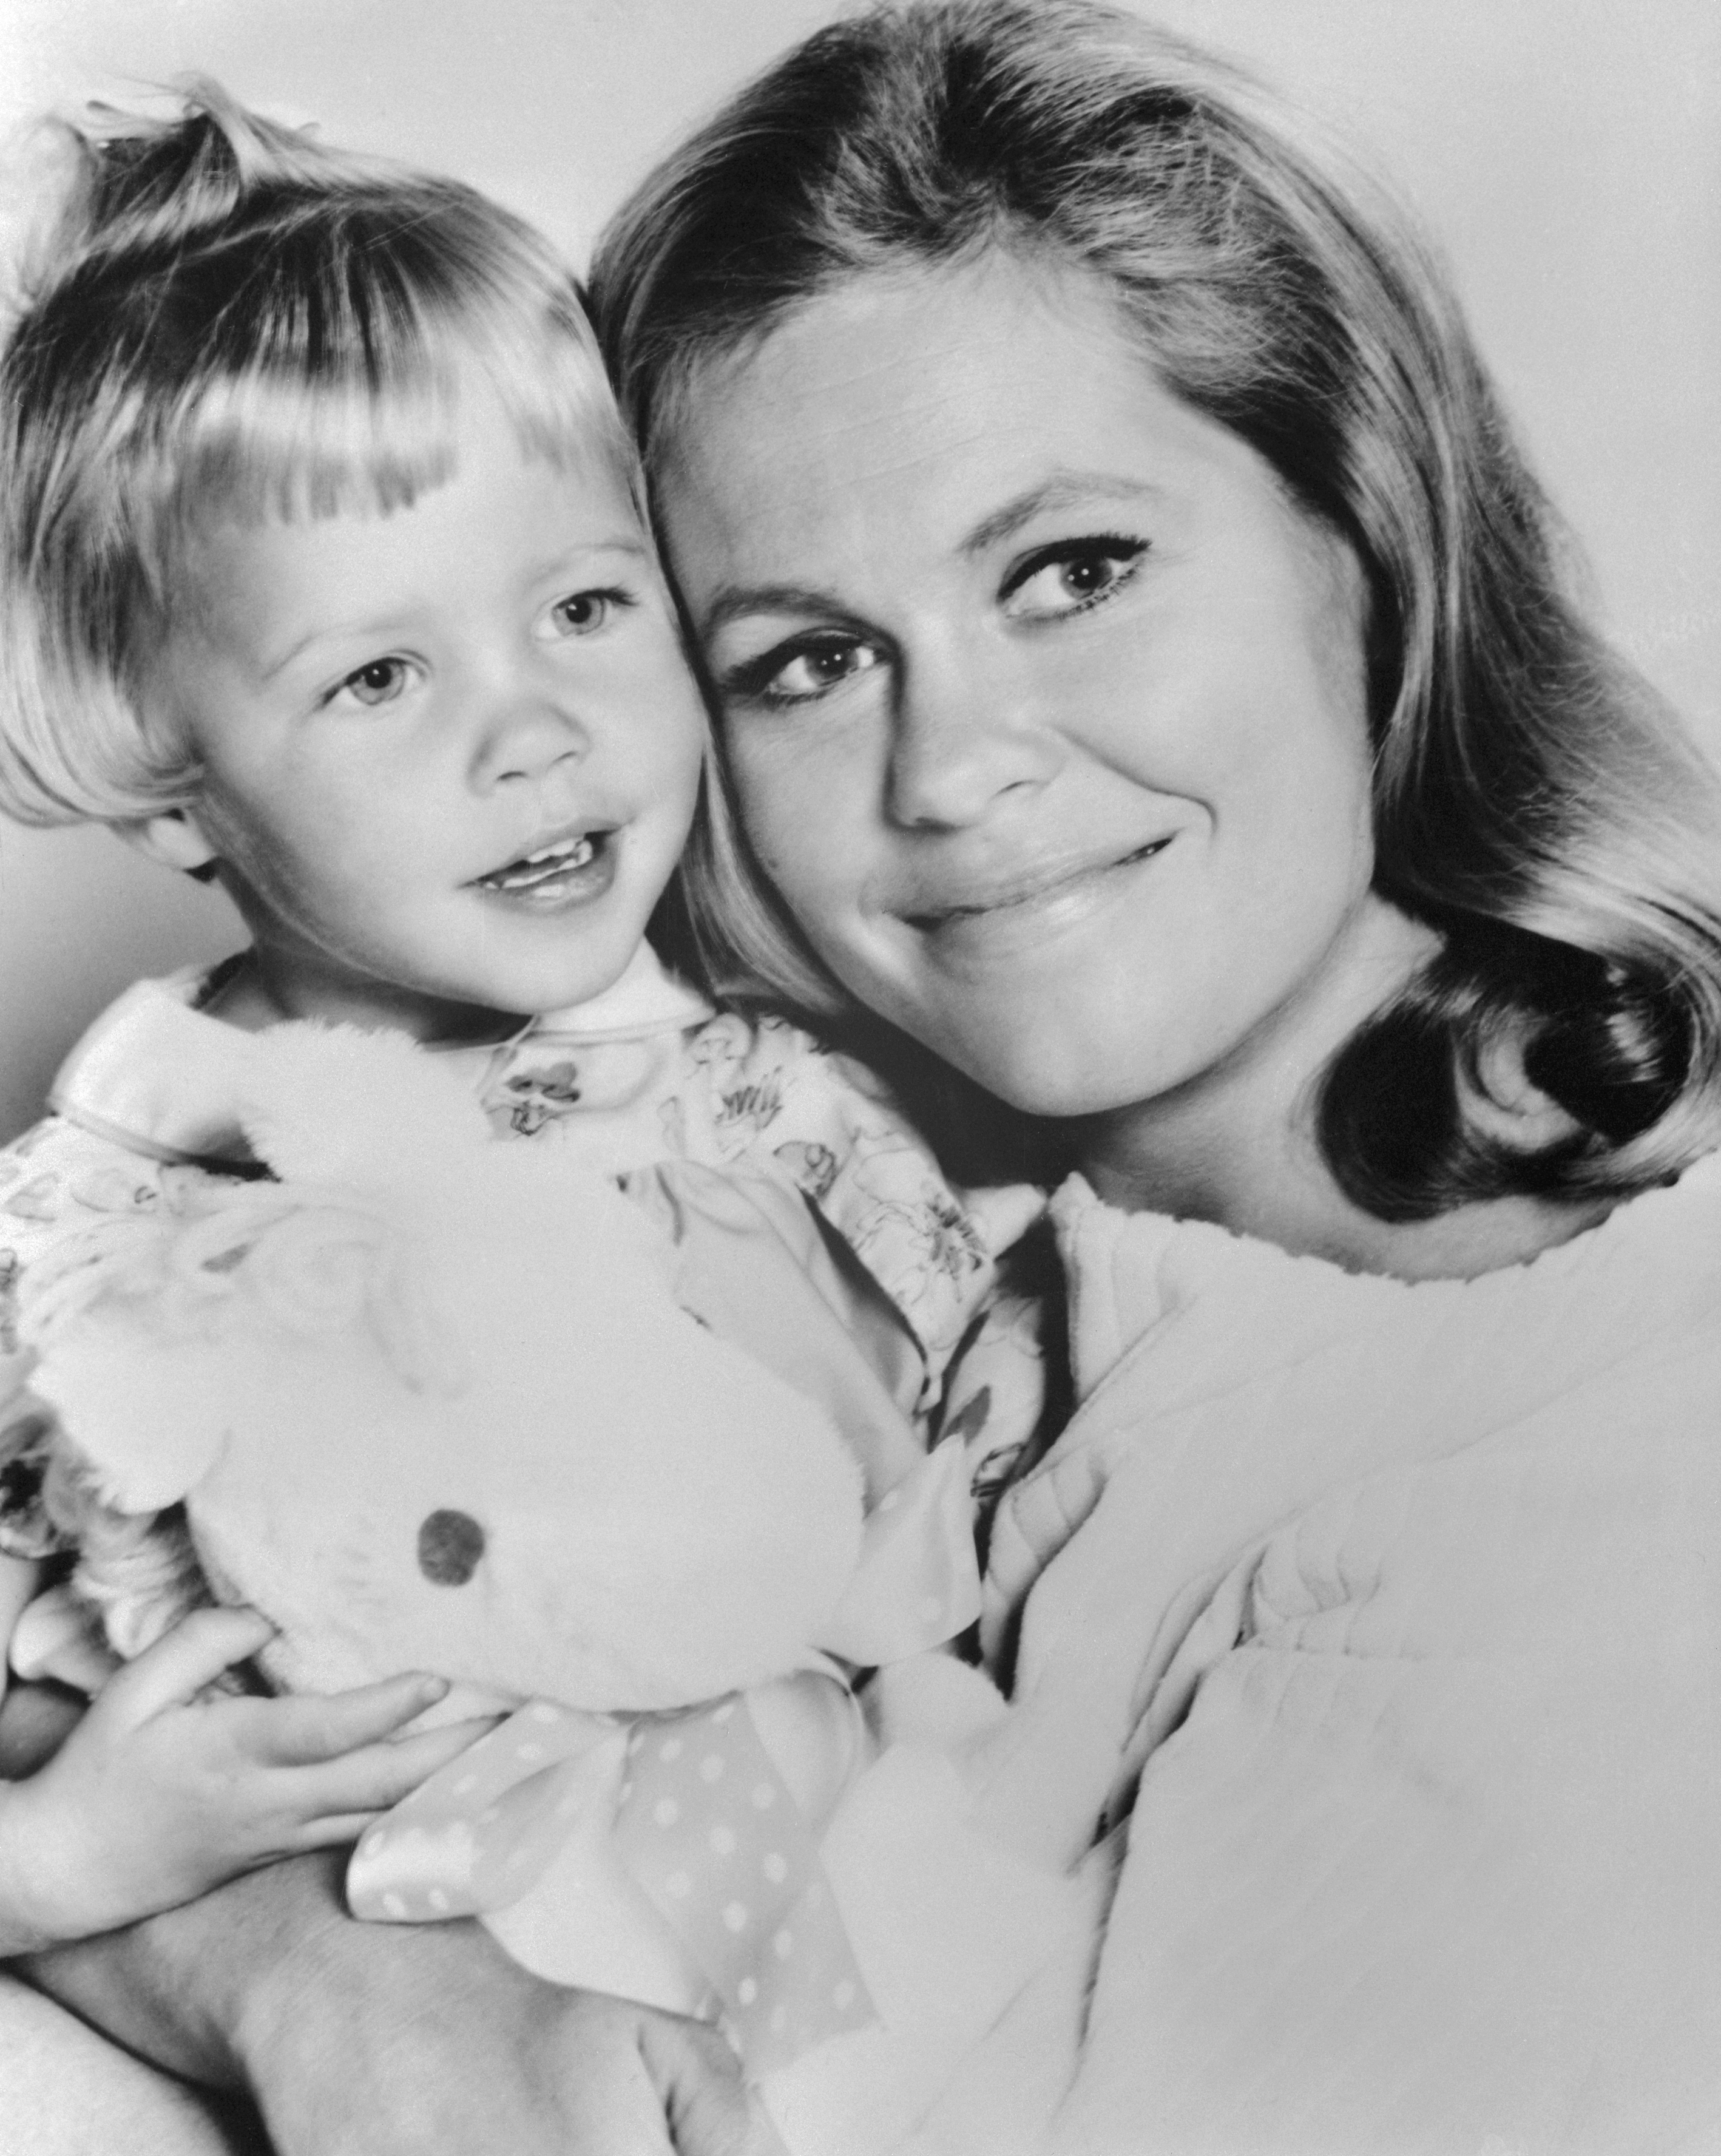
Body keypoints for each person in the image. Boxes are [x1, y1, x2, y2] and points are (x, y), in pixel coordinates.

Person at [15, 2, 1721, 2151]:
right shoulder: (876, 1227)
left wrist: (363, 2009)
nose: (952, 768)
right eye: (804, 658)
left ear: (1369, 532)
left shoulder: (1580, 1446)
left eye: (1071, 571)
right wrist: (312, 1976)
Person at [0, 78, 1044, 2156]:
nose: (537, 730)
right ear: (171, 776)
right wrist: (59, 1855)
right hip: (391, 1934)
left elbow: (963, 1501)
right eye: (378, 680)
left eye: (583, 606)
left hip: (774, 1882)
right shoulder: (121, 1202)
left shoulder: (784, 1103)